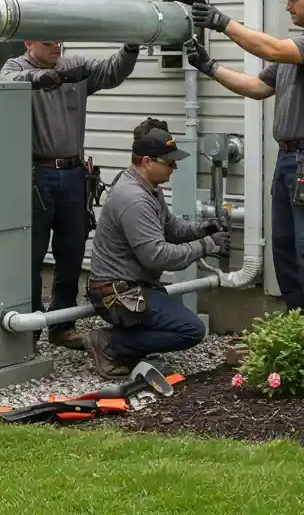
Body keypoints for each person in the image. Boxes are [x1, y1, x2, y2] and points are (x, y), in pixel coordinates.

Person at [183, 0, 304, 359]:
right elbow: (258, 87)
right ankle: (302, 340)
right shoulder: (297, 50)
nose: (289, 5)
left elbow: (273, 50)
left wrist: (223, 23)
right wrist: (210, 67)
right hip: (290, 159)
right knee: (286, 254)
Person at [0, 40, 140, 350]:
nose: (56, 48)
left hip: (74, 173)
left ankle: (62, 326)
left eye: (59, 42)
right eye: (48, 42)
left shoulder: (76, 68)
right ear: (29, 42)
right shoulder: (16, 67)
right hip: (36, 174)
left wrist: (130, 48)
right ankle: (30, 328)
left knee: (71, 252)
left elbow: (112, 72)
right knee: (31, 254)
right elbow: (7, 81)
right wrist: (40, 78)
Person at [83, 118, 229, 378]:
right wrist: (207, 245)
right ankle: (110, 343)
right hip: (118, 295)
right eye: (169, 162)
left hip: (134, 287)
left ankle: (130, 345)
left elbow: (171, 228)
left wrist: (202, 229)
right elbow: (157, 256)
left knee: (173, 319)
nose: (174, 168)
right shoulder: (133, 199)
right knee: (191, 330)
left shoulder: (148, 188)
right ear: (147, 161)